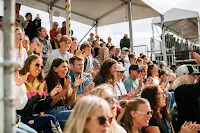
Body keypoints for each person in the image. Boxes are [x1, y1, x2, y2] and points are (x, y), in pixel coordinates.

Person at [17, 55, 62, 133]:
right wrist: (37, 96)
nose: (39, 68)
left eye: (41, 66)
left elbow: (39, 108)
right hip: (21, 117)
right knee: (50, 119)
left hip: (35, 116)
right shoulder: (19, 80)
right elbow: (23, 109)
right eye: (37, 65)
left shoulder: (41, 82)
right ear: (28, 64)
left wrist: (51, 95)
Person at [45, 58, 83, 129]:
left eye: (66, 67)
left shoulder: (64, 81)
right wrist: (64, 90)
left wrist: (74, 88)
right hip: (53, 112)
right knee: (80, 113)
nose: (66, 69)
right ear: (55, 69)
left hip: (64, 109)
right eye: (63, 66)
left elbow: (70, 103)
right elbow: (50, 104)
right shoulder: (48, 81)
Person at [173, 59, 200, 132]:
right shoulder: (181, 90)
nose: (195, 77)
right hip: (188, 129)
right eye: (193, 75)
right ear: (184, 76)